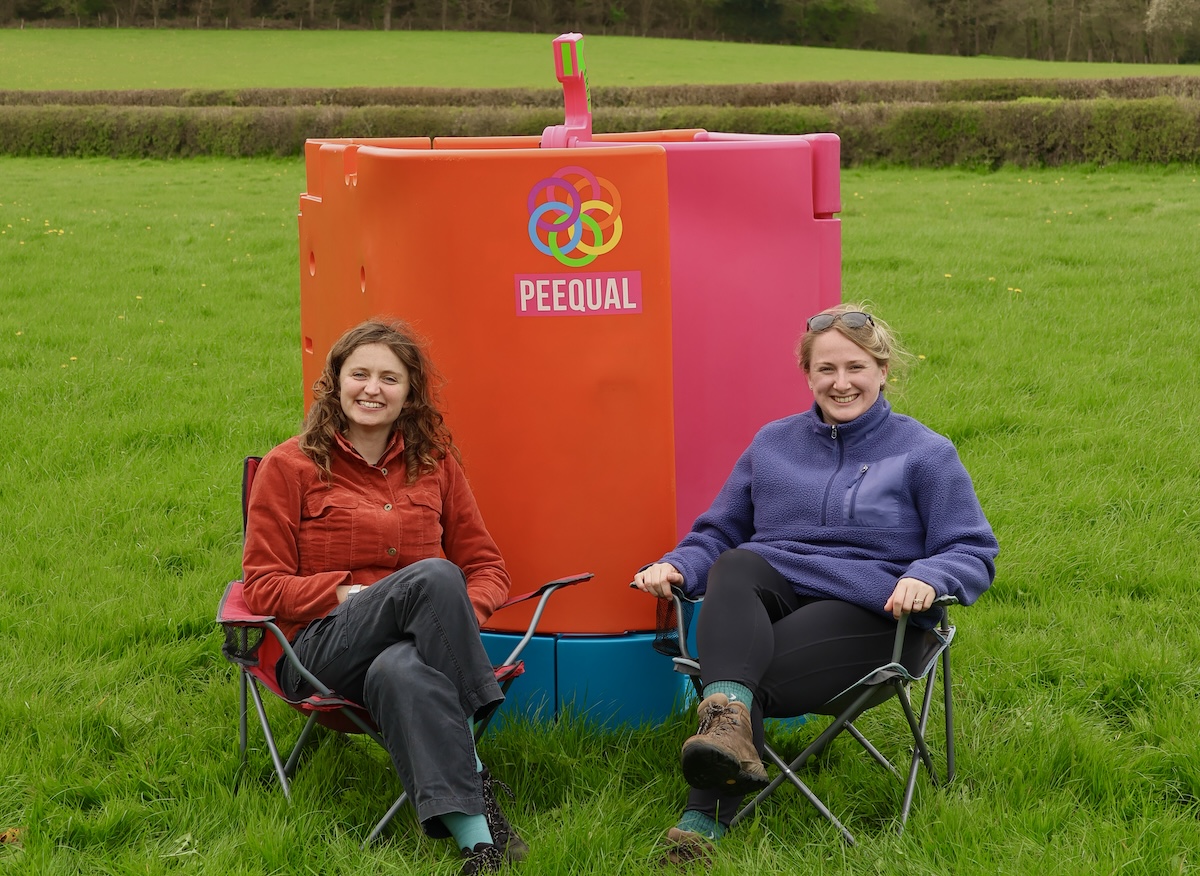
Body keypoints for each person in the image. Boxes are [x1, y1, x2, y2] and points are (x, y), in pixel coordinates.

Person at [632, 303, 998, 864]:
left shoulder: (925, 453)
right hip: (778, 598)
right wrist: (678, 565)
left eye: (855, 367)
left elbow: (971, 548)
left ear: (882, 371)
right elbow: (719, 532)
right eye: (826, 369)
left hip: (876, 611)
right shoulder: (773, 443)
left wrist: (927, 574)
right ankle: (729, 722)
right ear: (807, 375)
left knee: (741, 673)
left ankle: (702, 819)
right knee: (735, 564)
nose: (841, 382)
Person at [242, 318, 523, 875]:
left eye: (390, 378)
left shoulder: (435, 466)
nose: (372, 389)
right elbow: (261, 586)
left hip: (412, 654)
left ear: (410, 394)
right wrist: (344, 593)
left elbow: (487, 567)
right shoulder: (289, 466)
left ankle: (481, 848)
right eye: (360, 374)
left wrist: (451, 618)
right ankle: (476, 758)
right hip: (320, 652)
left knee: (403, 669)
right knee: (435, 576)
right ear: (335, 383)